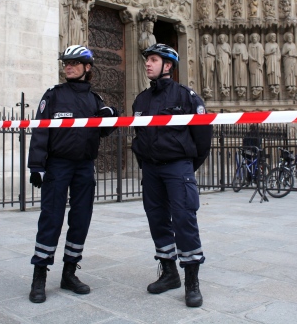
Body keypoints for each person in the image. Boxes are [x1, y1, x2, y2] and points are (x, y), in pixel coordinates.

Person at [27, 45, 119, 304]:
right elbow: (40, 130)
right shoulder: (53, 95)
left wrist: (110, 116)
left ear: (87, 68)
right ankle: (39, 276)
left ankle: (69, 272)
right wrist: (37, 166)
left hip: (84, 167)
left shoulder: (94, 99)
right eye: (66, 62)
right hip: (58, 166)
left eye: (75, 62)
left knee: (80, 220)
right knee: (51, 218)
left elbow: (102, 131)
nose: (68, 66)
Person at [132, 43, 212, 308]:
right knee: (157, 219)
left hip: (178, 167)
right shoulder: (141, 100)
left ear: (167, 66)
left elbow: (202, 138)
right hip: (152, 170)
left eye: (153, 60)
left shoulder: (187, 97)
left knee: (183, 218)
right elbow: (138, 134)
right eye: (147, 60)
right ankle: (169, 273)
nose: (147, 64)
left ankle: (192, 281)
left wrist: (186, 166)